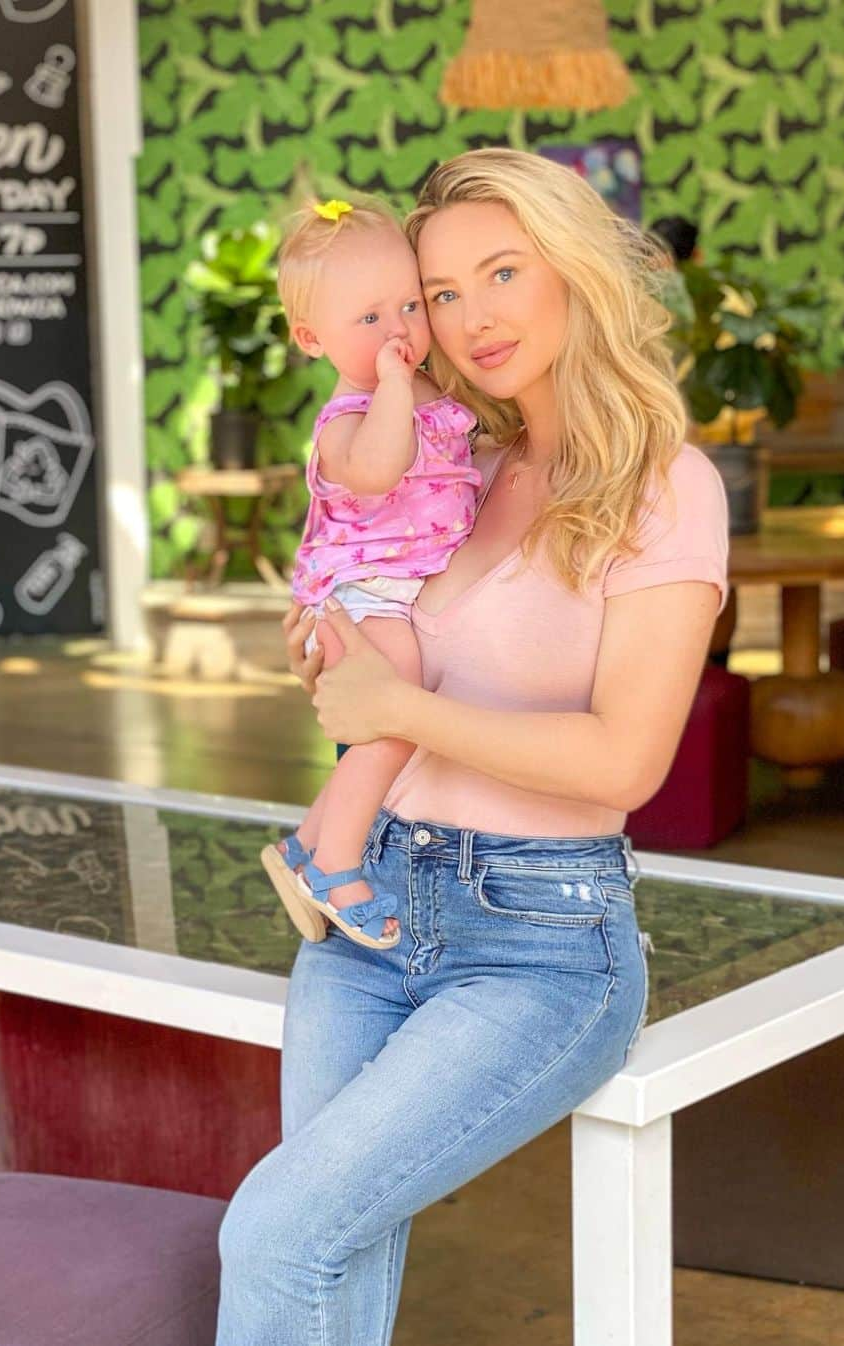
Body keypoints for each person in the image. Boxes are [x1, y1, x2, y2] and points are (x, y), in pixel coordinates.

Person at [215, 148, 729, 1346]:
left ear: (573, 269)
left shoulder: (666, 486)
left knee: (277, 1230)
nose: (470, 315)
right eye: (441, 290)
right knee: (324, 1255)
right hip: (370, 904)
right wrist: (338, 664)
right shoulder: (453, 467)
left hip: (540, 943)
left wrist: (400, 713)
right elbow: (386, 694)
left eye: (502, 270)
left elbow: (624, 764)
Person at [262, 195, 481, 950]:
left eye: (411, 305)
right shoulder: (349, 417)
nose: (399, 332)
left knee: (387, 726)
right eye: (369, 320)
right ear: (311, 338)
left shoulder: (420, 391)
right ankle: (335, 867)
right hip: (361, 592)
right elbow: (381, 471)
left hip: (393, 588)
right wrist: (393, 386)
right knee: (392, 717)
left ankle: (304, 843)